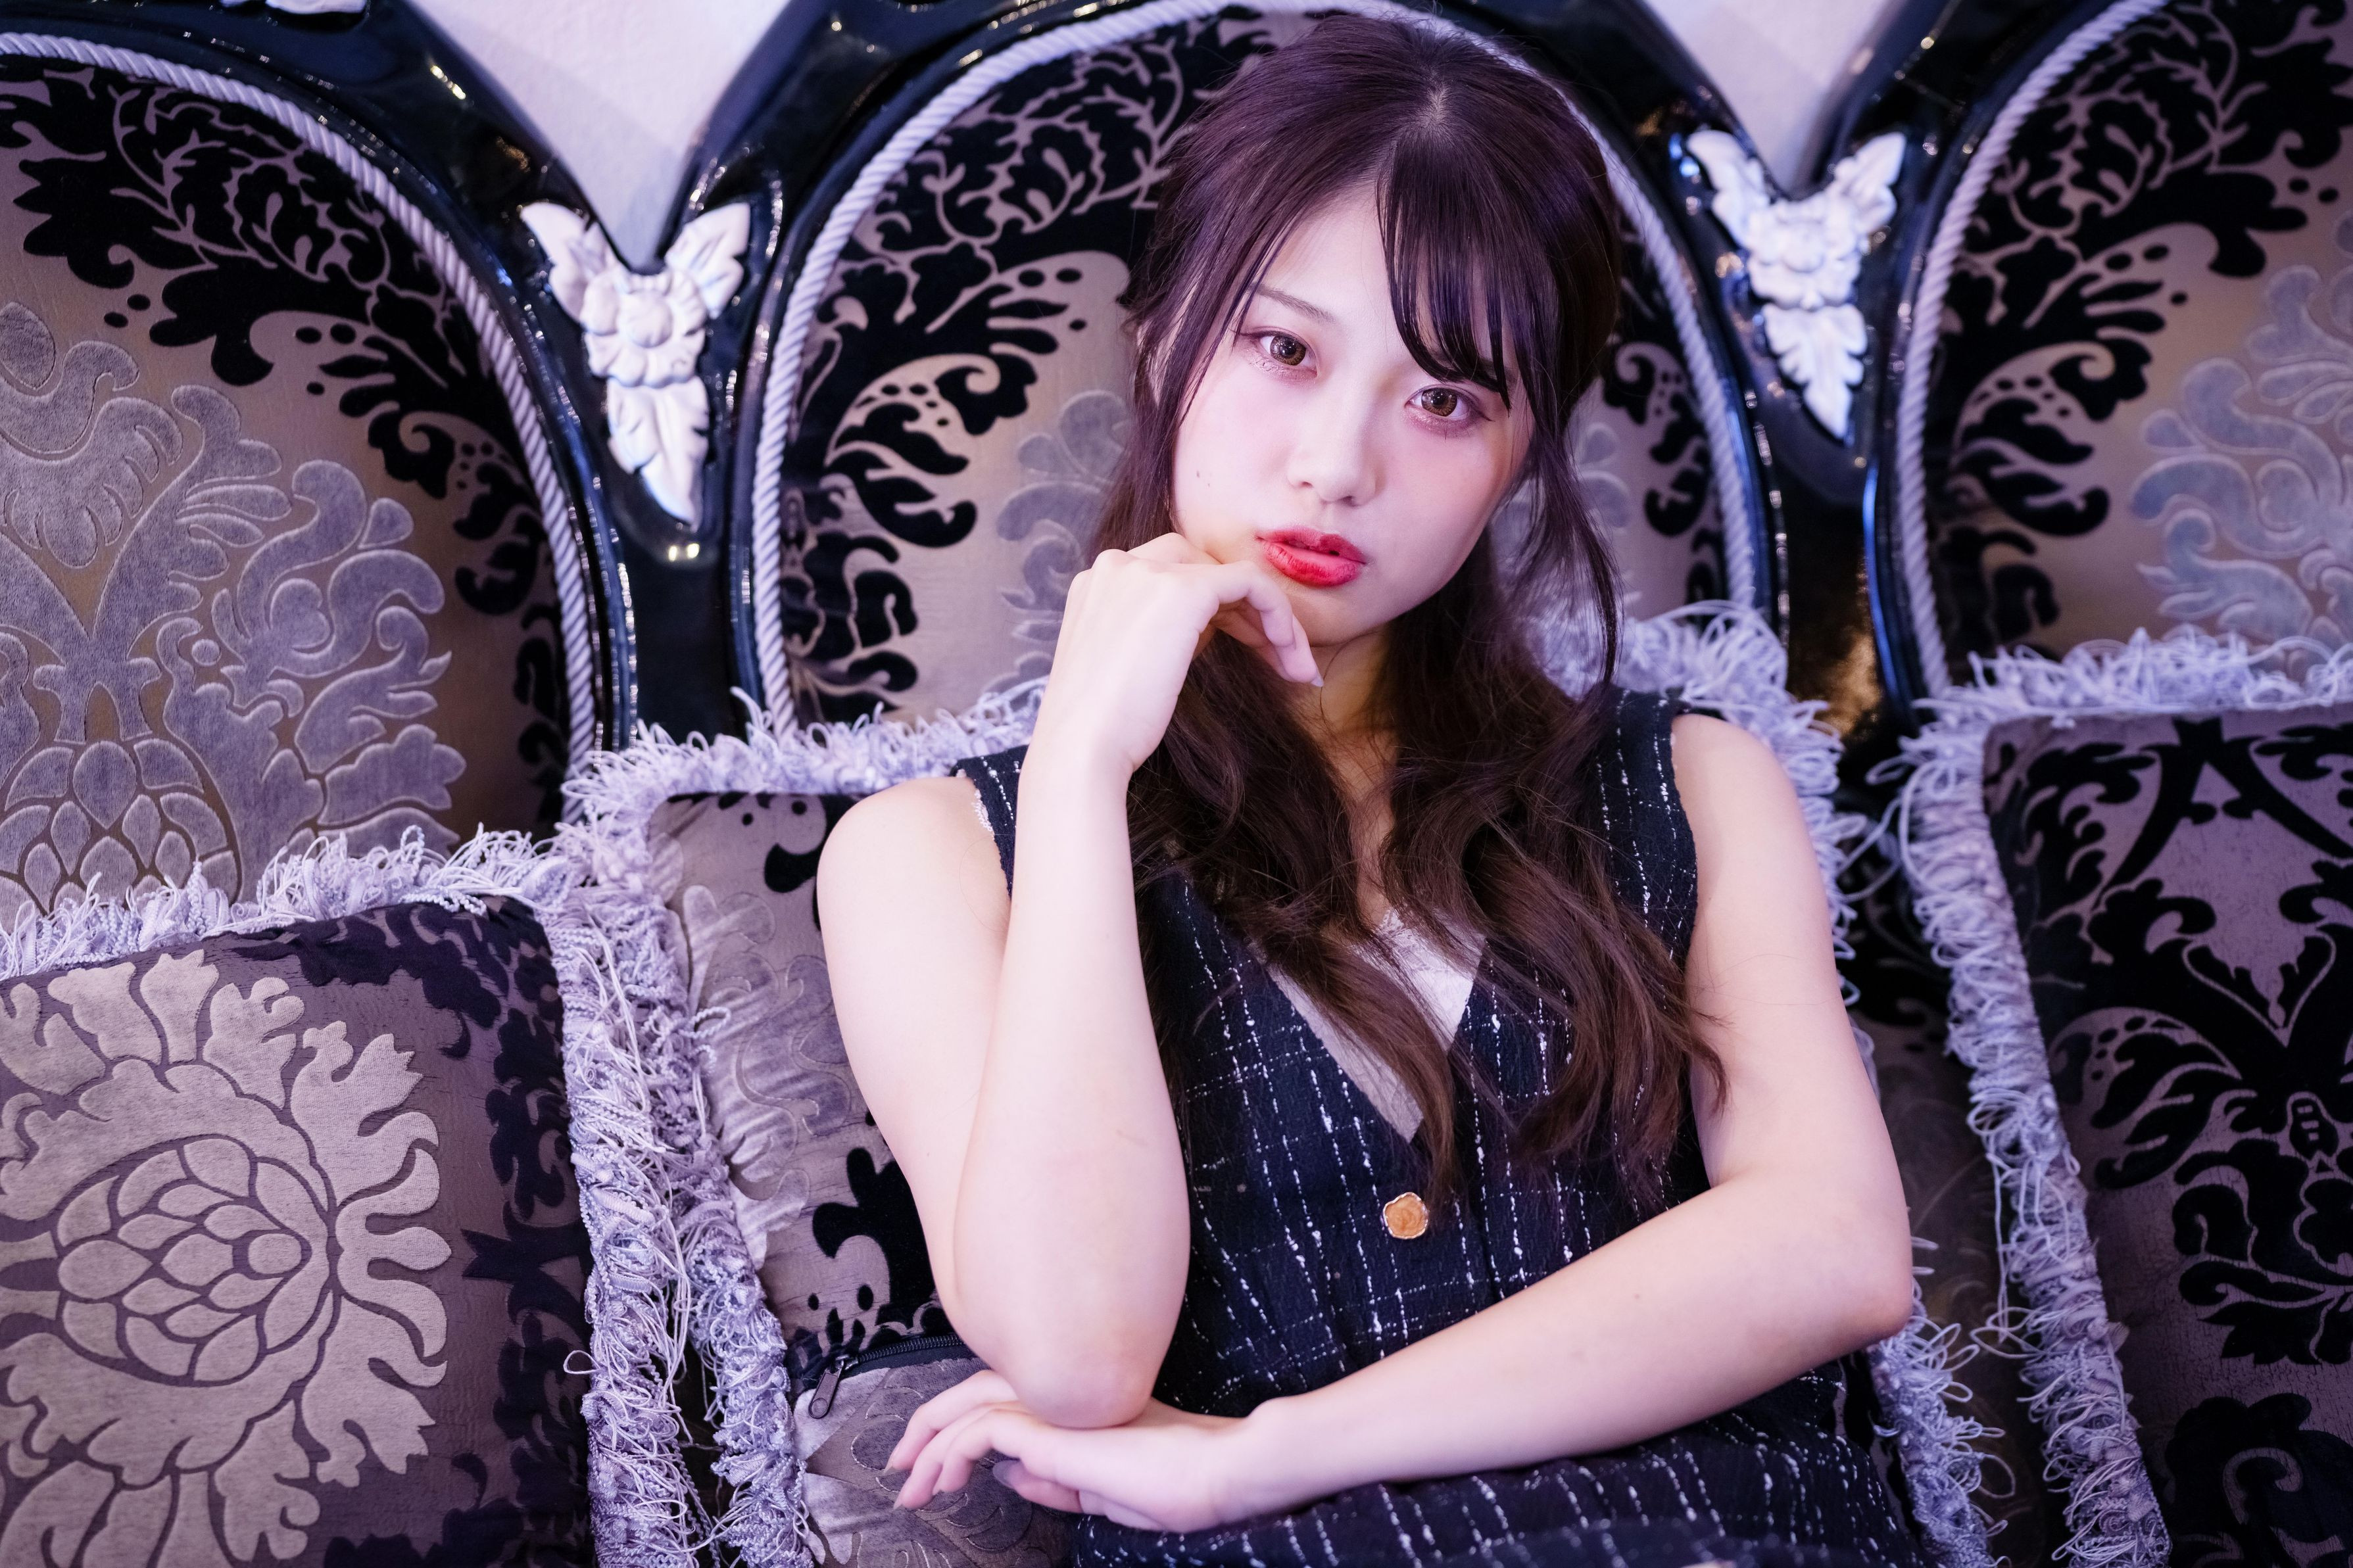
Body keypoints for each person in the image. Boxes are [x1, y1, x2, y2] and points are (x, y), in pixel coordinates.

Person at [816, 15, 1923, 1566]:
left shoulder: (1687, 780)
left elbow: (1832, 1248)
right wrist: (1077, 772)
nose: (1338, 462)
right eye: (1284, 349)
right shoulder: (934, 851)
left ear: (1522, 454)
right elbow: (1076, 1352)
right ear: (1163, 337)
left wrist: (1267, 1453)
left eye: (1446, 398)